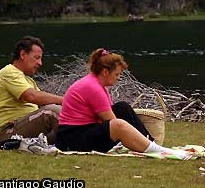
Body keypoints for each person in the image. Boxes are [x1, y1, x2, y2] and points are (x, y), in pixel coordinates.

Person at [56, 48, 189, 158]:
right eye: (117, 74)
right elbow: (113, 123)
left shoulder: (96, 84)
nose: (118, 78)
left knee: (122, 107)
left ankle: (151, 144)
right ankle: (157, 150)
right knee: (118, 125)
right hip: (72, 139)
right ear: (105, 72)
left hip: (81, 132)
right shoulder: (93, 87)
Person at [0, 36, 63, 144]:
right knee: (50, 112)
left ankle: (85, 139)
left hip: (23, 128)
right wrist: (65, 100)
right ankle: (78, 142)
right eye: (37, 58)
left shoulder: (28, 80)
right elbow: (31, 96)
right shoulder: (9, 72)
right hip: (6, 133)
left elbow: (42, 102)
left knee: (60, 125)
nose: (40, 63)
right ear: (22, 54)